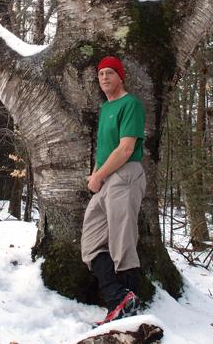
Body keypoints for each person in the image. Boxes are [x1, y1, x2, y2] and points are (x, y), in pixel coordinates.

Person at [81, 55, 146, 326]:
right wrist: (96, 175)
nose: (104, 78)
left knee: (123, 242)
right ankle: (119, 296)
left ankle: (126, 309)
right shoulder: (105, 109)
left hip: (126, 175)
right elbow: (105, 149)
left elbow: (126, 148)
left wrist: (99, 175)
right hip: (106, 180)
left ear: (121, 76)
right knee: (91, 243)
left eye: (110, 73)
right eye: (100, 74)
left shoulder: (130, 104)